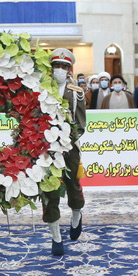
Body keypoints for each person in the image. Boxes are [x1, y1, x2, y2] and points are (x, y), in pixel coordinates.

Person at [42, 49, 86, 256]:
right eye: (56, 66)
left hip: (69, 149)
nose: (59, 70)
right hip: (46, 150)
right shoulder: (42, 90)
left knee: (73, 187)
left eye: (63, 66)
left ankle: (76, 214)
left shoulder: (76, 93)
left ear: (69, 69)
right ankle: (55, 237)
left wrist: (65, 139)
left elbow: (81, 125)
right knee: (49, 193)